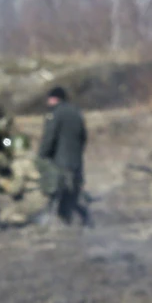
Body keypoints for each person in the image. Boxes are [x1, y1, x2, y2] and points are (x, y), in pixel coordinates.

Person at [38, 86, 90, 226]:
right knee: (73, 192)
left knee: (57, 193)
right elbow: (84, 137)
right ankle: (81, 221)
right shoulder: (76, 112)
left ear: (54, 98)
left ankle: (57, 223)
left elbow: (49, 137)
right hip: (76, 161)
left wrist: (42, 155)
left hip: (60, 161)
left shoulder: (55, 113)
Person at [0, 125, 53, 228]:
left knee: (3, 217)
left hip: (34, 199)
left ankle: (29, 222)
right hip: (46, 197)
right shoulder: (35, 158)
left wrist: (1, 182)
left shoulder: (19, 163)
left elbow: (15, 189)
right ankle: (38, 218)